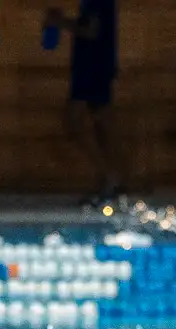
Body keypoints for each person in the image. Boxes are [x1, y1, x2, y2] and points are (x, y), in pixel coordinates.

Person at [51, 0, 119, 201]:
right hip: (94, 65)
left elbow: (91, 31)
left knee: (75, 121)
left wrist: (60, 22)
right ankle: (108, 180)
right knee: (102, 124)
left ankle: (108, 177)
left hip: (92, 67)